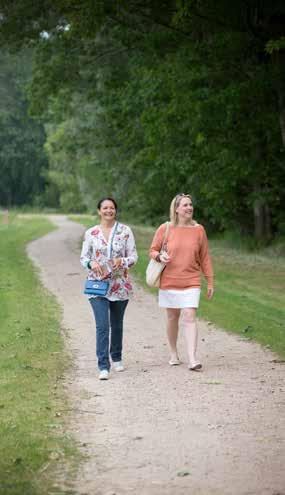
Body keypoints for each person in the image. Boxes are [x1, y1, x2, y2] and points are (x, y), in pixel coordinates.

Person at [149, 193, 214, 371]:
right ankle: (173, 353)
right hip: (170, 280)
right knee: (172, 317)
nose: (189, 208)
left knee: (190, 315)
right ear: (176, 209)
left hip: (191, 280)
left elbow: (205, 257)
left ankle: (193, 358)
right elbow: (153, 250)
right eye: (185, 205)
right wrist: (159, 256)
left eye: (190, 205)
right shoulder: (166, 228)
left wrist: (210, 281)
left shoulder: (199, 230)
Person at [80, 197, 138, 380]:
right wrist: (91, 263)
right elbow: (83, 258)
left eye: (111, 208)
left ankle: (117, 356)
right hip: (97, 286)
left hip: (120, 285)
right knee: (103, 325)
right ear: (99, 211)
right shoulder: (91, 233)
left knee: (117, 324)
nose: (108, 211)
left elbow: (134, 257)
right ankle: (103, 366)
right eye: (105, 208)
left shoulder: (125, 231)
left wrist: (123, 261)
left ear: (115, 211)